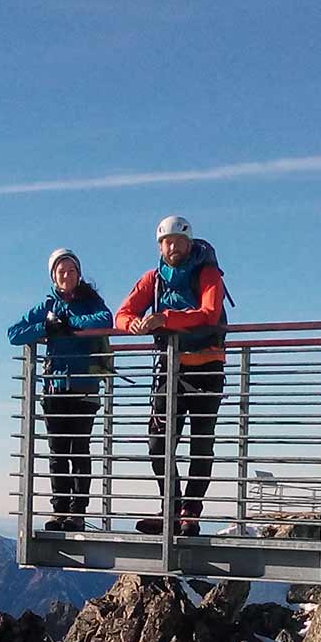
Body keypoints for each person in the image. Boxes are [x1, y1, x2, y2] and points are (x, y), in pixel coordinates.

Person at [116, 215, 228, 536]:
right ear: (159, 246)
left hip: (207, 365)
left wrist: (163, 318)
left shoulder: (207, 273)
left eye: (177, 241)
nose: (172, 247)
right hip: (170, 367)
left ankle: (190, 512)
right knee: (158, 441)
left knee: (200, 442)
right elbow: (121, 314)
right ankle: (172, 508)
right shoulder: (154, 279)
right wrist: (135, 324)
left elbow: (209, 313)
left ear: (189, 243)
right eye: (166, 242)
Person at [8, 248, 115, 532]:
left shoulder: (91, 301)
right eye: (61, 271)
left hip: (83, 387)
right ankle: (59, 510)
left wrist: (67, 324)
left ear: (79, 274)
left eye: (71, 271)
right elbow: (14, 333)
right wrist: (45, 325)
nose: (67, 275)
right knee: (58, 451)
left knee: (78, 449)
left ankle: (76, 512)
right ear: (53, 276)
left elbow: (105, 320)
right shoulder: (47, 306)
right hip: (55, 388)